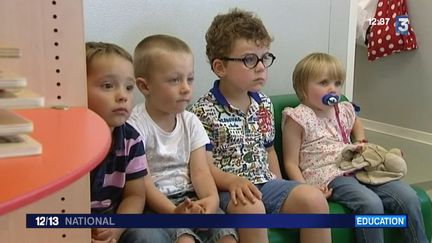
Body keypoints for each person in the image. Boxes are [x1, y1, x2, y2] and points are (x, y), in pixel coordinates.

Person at [189, 9, 331, 243]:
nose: (261, 67)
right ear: (220, 67)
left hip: (265, 183)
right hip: (228, 190)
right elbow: (203, 168)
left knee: (314, 199)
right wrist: (233, 181)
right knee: (252, 208)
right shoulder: (202, 112)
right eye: (249, 59)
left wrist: (279, 181)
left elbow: (268, 150)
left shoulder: (263, 103)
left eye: (264, 57)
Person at [282, 52, 428, 243]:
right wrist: (306, 190)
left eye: (337, 83)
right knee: (370, 203)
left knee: (408, 196)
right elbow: (290, 162)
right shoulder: (298, 118)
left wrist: (360, 140)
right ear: (302, 88)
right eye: (324, 82)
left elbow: (356, 123)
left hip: (357, 166)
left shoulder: (342, 109)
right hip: (328, 174)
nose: (332, 89)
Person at [128, 34, 238, 243]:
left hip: (192, 198)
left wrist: (210, 201)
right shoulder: (135, 127)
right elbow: (145, 185)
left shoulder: (191, 121)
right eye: (174, 80)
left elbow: (201, 172)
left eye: (190, 78)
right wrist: (173, 212)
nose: (186, 88)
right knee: (185, 239)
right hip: (156, 205)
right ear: (144, 86)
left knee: (226, 237)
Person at [86, 42, 168, 243]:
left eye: (129, 87)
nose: (122, 96)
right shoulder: (68, 141)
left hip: (114, 219)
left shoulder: (131, 140)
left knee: (147, 237)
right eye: (107, 86)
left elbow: (135, 196)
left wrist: (115, 228)